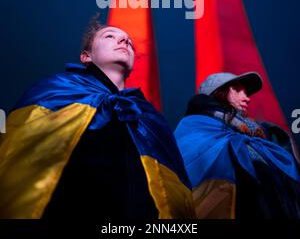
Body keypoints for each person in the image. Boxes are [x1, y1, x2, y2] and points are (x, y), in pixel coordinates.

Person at [0, 17, 193, 220]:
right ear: (86, 56)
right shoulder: (57, 89)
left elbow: (170, 188)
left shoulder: (149, 115)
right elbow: (25, 152)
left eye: (128, 41)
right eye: (110, 36)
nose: (123, 42)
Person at [174, 72, 300, 219]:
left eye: (246, 93)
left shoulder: (256, 137)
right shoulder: (195, 126)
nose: (246, 98)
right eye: (237, 90)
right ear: (218, 92)